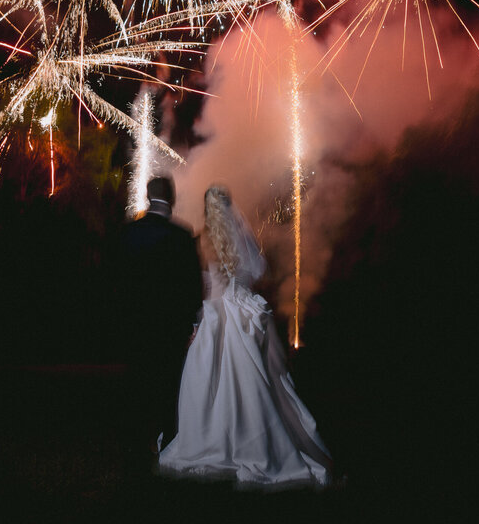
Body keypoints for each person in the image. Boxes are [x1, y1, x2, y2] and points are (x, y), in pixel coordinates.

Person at [158, 185, 332, 487]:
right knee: (259, 384)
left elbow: (198, 286)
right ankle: (262, 442)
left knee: (206, 384)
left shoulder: (200, 241)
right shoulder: (242, 238)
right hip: (244, 317)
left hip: (213, 317)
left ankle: (210, 441)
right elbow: (259, 270)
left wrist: (196, 321)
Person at [116, 176, 203, 456]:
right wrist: (193, 321)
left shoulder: (129, 233)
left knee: (137, 380)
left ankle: (136, 441)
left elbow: (116, 281)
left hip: (135, 323)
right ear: (173, 198)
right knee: (169, 385)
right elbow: (192, 284)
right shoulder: (181, 234)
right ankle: (167, 442)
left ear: (147, 196)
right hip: (170, 325)